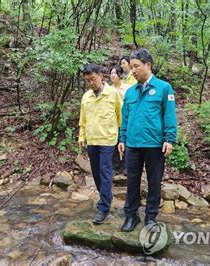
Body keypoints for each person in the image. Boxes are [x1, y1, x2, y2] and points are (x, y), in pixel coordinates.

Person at [118, 49, 178, 232]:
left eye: (136, 66)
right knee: (132, 181)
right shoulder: (130, 92)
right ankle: (131, 215)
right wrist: (122, 139)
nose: (133, 70)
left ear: (148, 65)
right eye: (131, 67)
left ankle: (151, 217)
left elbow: (169, 115)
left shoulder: (163, 88)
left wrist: (169, 138)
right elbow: (125, 118)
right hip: (133, 144)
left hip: (154, 145)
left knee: (154, 181)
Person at [78, 63, 122, 224]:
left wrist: (121, 138)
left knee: (104, 172)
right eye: (87, 80)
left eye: (93, 79)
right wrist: (82, 136)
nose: (91, 83)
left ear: (101, 76)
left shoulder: (113, 94)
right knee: (96, 173)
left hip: (108, 140)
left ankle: (104, 207)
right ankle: (106, 196)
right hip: (92, 140)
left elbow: (120, 116)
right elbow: (83, 120)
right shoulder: (86, 97)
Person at [110, 65, 128, 175]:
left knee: (125, 143)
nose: (112, 75)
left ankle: (127, 167)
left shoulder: (127, 88)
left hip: (125, 119)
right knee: (114, 143)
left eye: (114, 73)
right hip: (113, 120)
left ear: (120, 75)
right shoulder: (109, 89)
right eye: (111, 73)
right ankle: (116, 166)